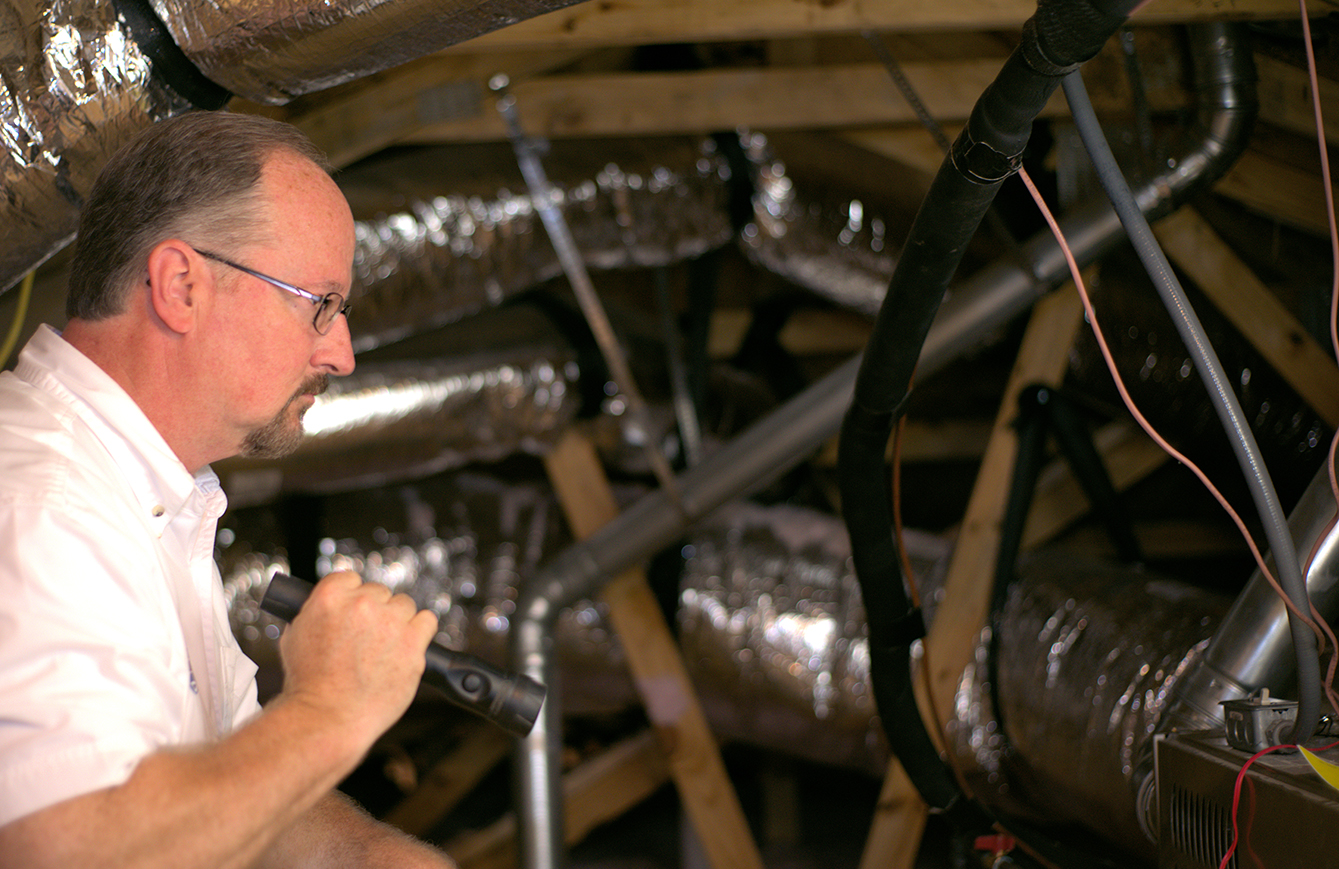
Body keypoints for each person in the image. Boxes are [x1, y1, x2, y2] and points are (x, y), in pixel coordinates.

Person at [0, 110, 457, 868]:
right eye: (320, 304)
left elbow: (221, 785)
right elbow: (81, 850)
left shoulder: (150, 497)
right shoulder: (42, 504)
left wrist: (373, 858)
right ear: (180, 285)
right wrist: (328, 711)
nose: (340, 352)